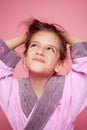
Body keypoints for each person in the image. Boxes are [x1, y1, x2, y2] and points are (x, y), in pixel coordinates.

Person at [0, 18, 87, 130]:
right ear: (25, 58)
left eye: (50, 48)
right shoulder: (12, 91)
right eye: (34, 45)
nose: (40, 51)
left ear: (59, 65)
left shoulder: (70, 91)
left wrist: (63, 36)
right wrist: (26, 37)